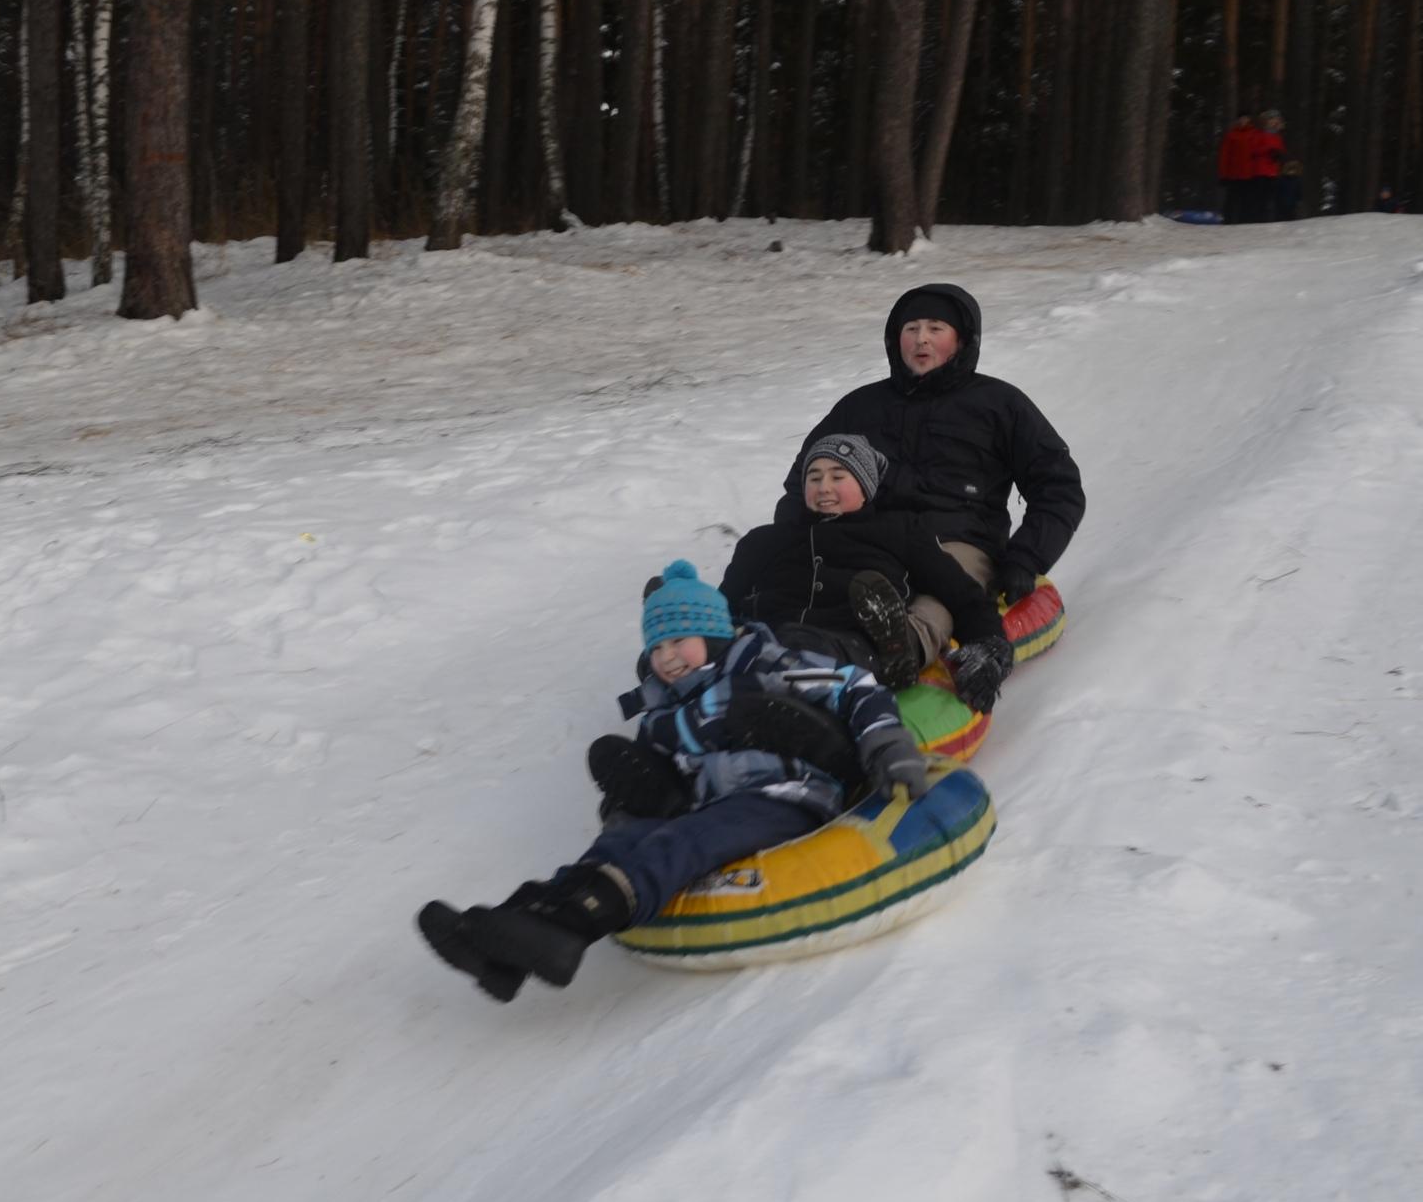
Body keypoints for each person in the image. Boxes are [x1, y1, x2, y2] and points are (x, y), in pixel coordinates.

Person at [416, 561, 929, 1003]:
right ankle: (508, 940)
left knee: (682, 841)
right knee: (624, 837)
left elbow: (854, 686)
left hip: (786, 794)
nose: (666, 657)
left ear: (714, 632)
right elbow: (657, 768)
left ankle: (573, 924)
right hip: (707, 803)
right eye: (656, 645)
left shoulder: (764, 663)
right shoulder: (661, 709)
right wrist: (628, 807)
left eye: (678, 640)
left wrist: (886, 744)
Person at [775, 283, 1082, 680]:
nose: (921, 338)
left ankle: (901, 648)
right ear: (895, 339)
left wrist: (1026, 558)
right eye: (911, 328)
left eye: (936, 328)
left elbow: (1058, 487)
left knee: (942, 591)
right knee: (824, 584)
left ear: (961, 339)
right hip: (868, 536)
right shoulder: (860, 407)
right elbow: (804, 480)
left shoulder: (1000, 405)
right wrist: (790, 542)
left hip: (957, 540)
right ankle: (769, 644)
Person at [720, 433, 1015, 713]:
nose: (824, 487)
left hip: (853, 639)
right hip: (767, 636)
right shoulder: (763, 541)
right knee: (748, 647)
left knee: (799, 648)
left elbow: (960, 592)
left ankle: (892, 657)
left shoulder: (897, 531)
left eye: (838, 477)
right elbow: (725, 602)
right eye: (814, 477)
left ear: (865, 487)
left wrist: (988, 645)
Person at [1216, 112, 1265, 224]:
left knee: (1247, 200)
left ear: (1249, 120)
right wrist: (1223, 174)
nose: (1243, 121)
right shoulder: (1232, 135)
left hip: (1249, 174)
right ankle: (1228, 221)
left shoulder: (1255, 134)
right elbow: (1225, 155)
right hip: (1234, 174)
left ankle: (1245, 222)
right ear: (1238, 120)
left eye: (1245, 118)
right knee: (1231, 199)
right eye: (1241, 118)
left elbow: (1259, 151)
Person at [1254, 110, 1293, 221]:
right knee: (1261, 198)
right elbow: (1255, 150)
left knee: (1271, 197)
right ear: (1267, 121)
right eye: (1272, 119)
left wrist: (1280, 154)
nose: (1274, 122)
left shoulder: (1277, 136)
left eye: (1276, 120)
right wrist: (1269, 151)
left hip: (1273, 171)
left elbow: (1282, 151)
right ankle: (1258, 219)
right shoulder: (1260, 134)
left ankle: (1269, 219)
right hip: (1261, 171)